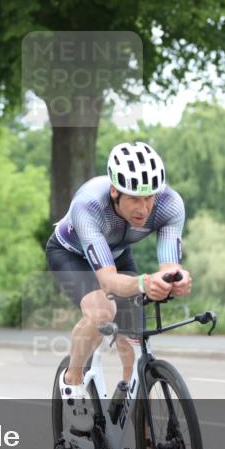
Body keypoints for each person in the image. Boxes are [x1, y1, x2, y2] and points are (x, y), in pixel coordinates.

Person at [46, 141, 191, 425]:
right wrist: (144, 283)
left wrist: (177, 279)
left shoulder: (170, 204)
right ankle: (72, 379)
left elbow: (170, 267)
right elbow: (109, 281)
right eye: (135, 199)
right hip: (71, 255)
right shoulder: (89, 205)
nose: (144, 208)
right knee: (102, 313)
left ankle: (138, 419)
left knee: (135, 342)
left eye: (150, 197)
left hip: (117, 254)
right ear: (115, 191)